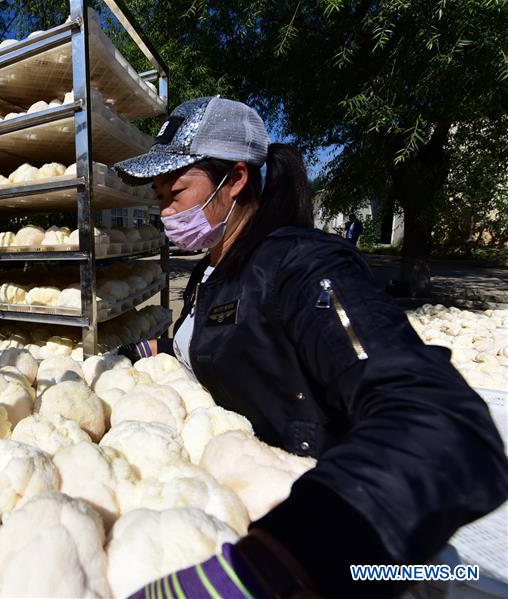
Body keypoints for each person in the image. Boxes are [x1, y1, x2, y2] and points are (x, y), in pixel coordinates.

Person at [112, 96, 507, 598]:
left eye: (176, 192)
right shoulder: (212, 270)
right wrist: (127, 358)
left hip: (337, 554)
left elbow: (445, 428)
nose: (163, 210)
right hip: (239, 505)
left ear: (234, 179)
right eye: (158, 196)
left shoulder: (304, 269)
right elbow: (199, 343)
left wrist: (276, 561)